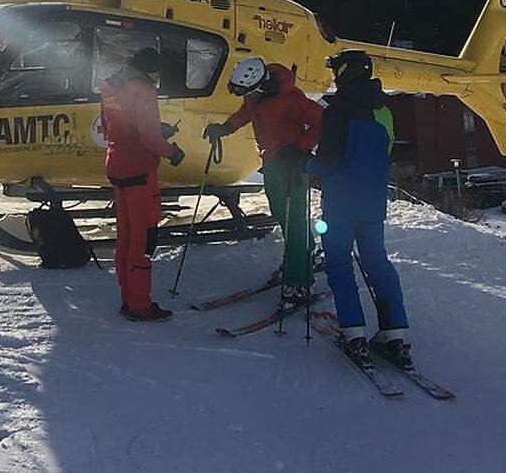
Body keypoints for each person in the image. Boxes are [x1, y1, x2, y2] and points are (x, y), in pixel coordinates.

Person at [306, 49, 411, 369]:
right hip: (373, 202)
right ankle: (395, 334)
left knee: (339, 266)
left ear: (346, 72)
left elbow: (327, 161)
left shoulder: (336, 112)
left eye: (336, 70)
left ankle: (354, 332)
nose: (334, 76)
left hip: (340, 203)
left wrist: (303, 164)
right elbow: (384, 152)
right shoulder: (384, 111)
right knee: (378, 263)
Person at [202, 58, 322, 305]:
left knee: (294, 221)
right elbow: (246, 113)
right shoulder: (253, 96)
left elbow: (323, 121)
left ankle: (300, 280)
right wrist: (224, 128)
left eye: (247, 92)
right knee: (281, 214)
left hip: (292, 166)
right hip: (271, 163)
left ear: (260, 84)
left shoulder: (292, 98)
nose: (245, 97)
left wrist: (301, 148)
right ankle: (303, 256)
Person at [100, 47, 185, 321]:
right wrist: (171, 151)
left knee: (125, 236)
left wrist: (159, 129)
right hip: (139, 171)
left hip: (116, 163)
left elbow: (115, 124)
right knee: (143, 237)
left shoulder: (111, 85)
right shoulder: (144, 90)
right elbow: (148, 138)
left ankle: (128, 295)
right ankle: (139, 304)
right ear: (152, 70)